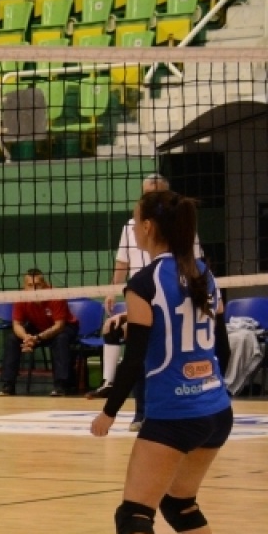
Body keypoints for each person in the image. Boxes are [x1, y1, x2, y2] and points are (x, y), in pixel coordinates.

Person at [83, 189, 236, 534]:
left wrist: (108, 412)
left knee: (134, 512)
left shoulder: (144, 282)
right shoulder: (204, 273)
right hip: (216, 409)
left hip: (174, 414)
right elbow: (221, 347)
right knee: (179, 503)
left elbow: (133, 360)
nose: (134, 227)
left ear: (148, 228)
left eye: (135, 220)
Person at [94, 175, 204, 429]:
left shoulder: (183, 238)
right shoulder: (131, 229)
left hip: (171, 297)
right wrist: (112, 291)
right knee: (139, 349)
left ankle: (158, 410)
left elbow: (193, 265)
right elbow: (122, 261)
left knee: (146, 353)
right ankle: (138, 408)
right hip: (145, 297)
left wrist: (108, 413)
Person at [0, 268, 80, 397]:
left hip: (64, 327)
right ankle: (8, 385)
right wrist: (26, 337)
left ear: (45, 285)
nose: (34, 289)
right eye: (30, 285)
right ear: (25, 286)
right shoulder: (21, 297)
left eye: (37, 285)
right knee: (12, 339)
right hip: (37, 326)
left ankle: (61, 386)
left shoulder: (56, 295)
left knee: (61, 339)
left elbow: (59, 326)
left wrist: (37, 338)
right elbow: (17, 324)